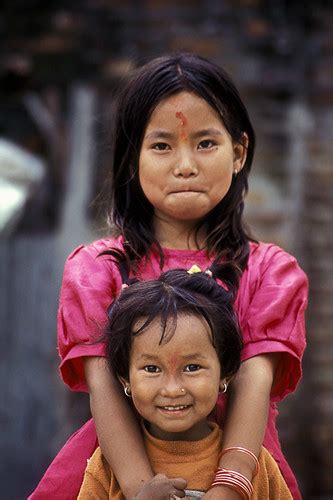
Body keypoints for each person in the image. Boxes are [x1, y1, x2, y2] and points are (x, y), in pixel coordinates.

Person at [30, 53, 308, 500]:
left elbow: (253, 385)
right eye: (162, 146)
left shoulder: (269, 273)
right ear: (131, 158)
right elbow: (104, 386)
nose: (185, 165)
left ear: (239, 153)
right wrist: (142, 489)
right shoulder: (97, 269)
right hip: (116, 473)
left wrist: (231, 487)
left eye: (205, 143)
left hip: (242, 469)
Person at [78, 268, 293, 499]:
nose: (172, 390)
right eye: (152, 369)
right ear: (125, 379)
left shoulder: (257, 467)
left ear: (225, 373)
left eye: (192, 368)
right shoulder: (106, 469)